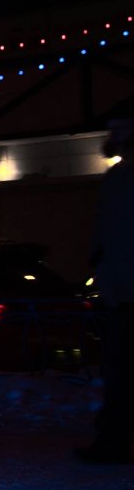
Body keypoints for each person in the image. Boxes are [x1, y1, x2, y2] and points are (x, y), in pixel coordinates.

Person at [78, 99, 134, 463]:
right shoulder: (117, 178)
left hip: (122, 290)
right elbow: (106, 236)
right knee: (119, 372)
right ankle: (112, 440)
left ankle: (112, 440)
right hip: (120, 292)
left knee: (121, 371)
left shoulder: (120, 180)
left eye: (120, 128)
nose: (114, 135)